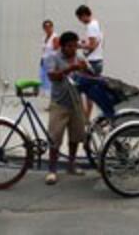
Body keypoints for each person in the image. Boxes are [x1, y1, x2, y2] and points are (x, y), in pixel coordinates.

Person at [44, 31, 88, 185]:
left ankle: (71, 164)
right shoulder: (53, 58)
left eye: (75, 46)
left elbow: (87, 75)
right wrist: (69, 69)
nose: (73, 49)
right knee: (55, 138)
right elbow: (52, 76)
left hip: (75, 102)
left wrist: (85, 69)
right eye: (70, 46)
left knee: (75, 136)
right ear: (62, 46)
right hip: (59, 103)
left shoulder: (79, 58)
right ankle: (52, 170)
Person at [76, 5, 104, 118]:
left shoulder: (91, 26)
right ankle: (86, 117)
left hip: (92, 62)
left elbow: (92, 46)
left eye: (79, 18)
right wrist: (85, 42)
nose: (80, 21)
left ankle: (85, 117)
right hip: (98, 60)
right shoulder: (96, 23)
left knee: (82, 89)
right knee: (90, 90)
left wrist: (79, 45)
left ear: (83, 15)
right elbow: (96, 43)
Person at [39, 20, 58, 99]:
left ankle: (50, 99)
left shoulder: (55, 37)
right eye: (46, 27)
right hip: (44, 60)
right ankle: (44, 97)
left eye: (49, 27)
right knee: (42, 77)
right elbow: (44, 51)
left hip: (51, 62)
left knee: (49, 81)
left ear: (52, 27)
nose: (48, 29)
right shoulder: (44, 38)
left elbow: (57, 50)